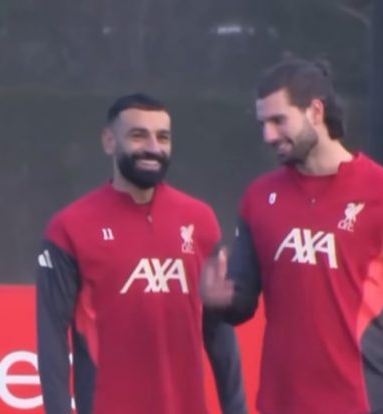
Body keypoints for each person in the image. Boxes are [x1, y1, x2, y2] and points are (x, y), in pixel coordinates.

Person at [201, 59, 383, 414]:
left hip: (363, 404)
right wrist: (220, 301)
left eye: (279, 121)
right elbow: (243, 302)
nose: (268, 135)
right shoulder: (259, 198)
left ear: (316, 111)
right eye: (262, 124)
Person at [36, 93, 246, 414]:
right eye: (138, 135)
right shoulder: (69, 228)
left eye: (163, 137)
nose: (153, 147)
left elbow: (219, 334)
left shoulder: (200, 221)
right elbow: (52, 342)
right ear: (109, 141)